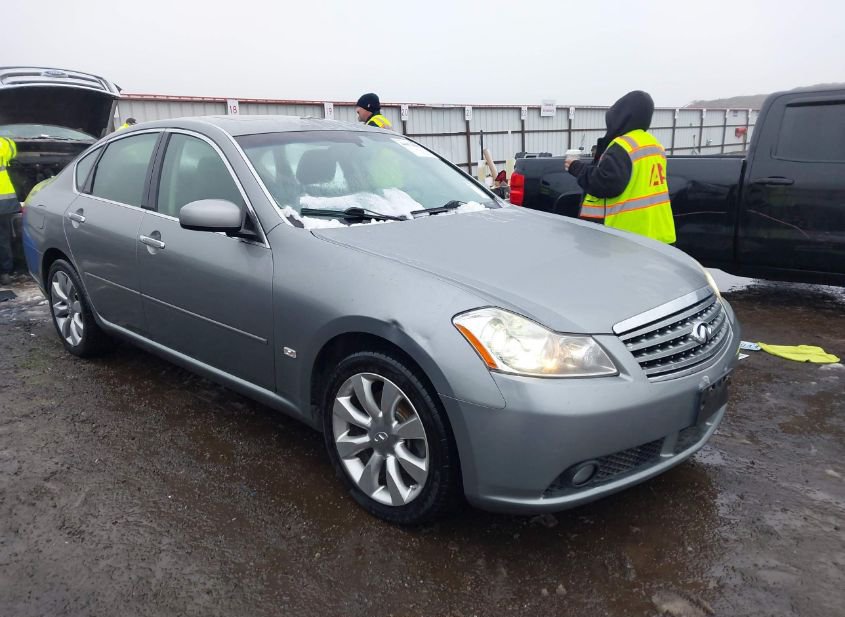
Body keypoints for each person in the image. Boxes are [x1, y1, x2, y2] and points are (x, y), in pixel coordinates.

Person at [565, 91, 675, 244]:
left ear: (621, 118)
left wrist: (576, 168)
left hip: (627, 238)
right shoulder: (653, 144)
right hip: (658, 234)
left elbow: (606, 184)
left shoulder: (623, 146)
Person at [0, 135, 19, 286]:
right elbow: (13, 153)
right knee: (3, 238)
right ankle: (5, 273)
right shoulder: (4, 143)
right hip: (3, 201)